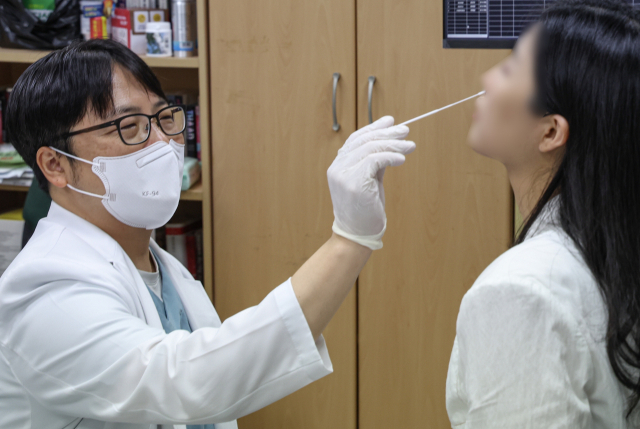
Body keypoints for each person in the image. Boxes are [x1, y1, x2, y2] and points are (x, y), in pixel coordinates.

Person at [0, 39, 415, 429]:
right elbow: (186, 380)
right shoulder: (45, 288)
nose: (162, 143)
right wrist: (349, 240)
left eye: (164, 118)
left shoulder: (158, 265)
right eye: (129, 126)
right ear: (55, 164)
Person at [446, 0, 640, 427]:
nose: (486, 80)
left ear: (550, 131)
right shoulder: (614, 253)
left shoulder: (520, 291)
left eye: (511, 68)